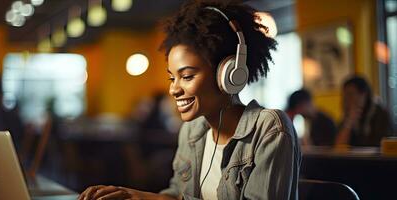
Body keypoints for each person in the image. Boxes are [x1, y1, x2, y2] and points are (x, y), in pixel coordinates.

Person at [79, 1, 301, 199]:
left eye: (186, 76)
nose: (174, 89)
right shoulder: (192, 130)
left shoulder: (270, 128)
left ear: (229, 74)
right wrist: (135, 196)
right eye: (171, 78)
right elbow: (178, 194)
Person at [335, 76, 393, 147]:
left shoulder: (380, 114)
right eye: (344, 96)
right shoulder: (347, 116)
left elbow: (382, 146)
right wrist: (349, 123)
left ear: (363, 94)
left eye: (350, 94)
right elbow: (339, 146)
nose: (346, 100)